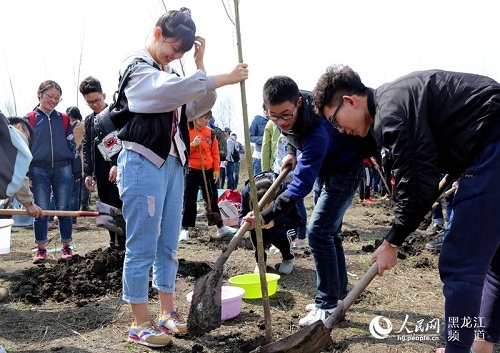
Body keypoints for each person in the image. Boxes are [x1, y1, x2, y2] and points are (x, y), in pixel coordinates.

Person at [312, 65, 500, 353]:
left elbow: (416, 186)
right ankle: (482, 346)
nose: (340, 130)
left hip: (492, 147)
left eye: (335, 120)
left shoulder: (393, 111)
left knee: (460, 265)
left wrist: (392, 241)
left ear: (349, 101)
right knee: (496, 261)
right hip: (488, 144)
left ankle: (458, 349)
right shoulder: (395, 100)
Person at [114, 8, 248, 348]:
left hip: (173, 163)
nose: (175, 56)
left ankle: (167, 313)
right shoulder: (138, 68)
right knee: (142, 245)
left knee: (168, 245)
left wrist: (202, 67)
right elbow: (165, 93)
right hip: (143, 162)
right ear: (158, 33)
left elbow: (195, 106)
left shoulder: (168, 71)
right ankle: (139, 324)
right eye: (173, 48)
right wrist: (222, 76)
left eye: (181, 54)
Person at [242, 76, 369, 328]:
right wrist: (290, 151)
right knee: (330, 233)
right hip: (326, 167)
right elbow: (288, 131)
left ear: (299, 103)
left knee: (319, 231)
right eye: (273, 116)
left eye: (286, 115)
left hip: (344, 170)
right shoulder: (282, 114)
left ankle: (327, 304)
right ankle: (338, 293)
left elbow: (300, 186)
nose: (280, 121)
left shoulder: (316, 132)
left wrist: (266, 215)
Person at [25, 80, 80, 264]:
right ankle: (41, 249)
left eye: (57, 98)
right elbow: (24, 150)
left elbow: (73, 146)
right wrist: (27, 173)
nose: (54, 101)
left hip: (63, 168)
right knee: (40, 208)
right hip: (38, 169)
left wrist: (77, 170)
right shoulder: (29, 119)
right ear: (39, 93)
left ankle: (66, 246)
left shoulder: (63, 119)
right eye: (50, 96)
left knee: (64, 207)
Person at [79, 76, 126, 250]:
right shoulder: (89, 120)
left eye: (97, 100)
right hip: (100, 170)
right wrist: (88, 172)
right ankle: (112, 240)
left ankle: (123, 240)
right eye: (89, 102)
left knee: (118, 203)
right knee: (104, 204)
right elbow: (87, 145)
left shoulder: (116, 113)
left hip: (118, 168)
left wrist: (116, 163)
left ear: (104, 95)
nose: (94, 105)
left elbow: (124, 141)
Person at [179, 111, 237, 241]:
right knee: (190, 199)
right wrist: (193, 145)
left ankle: (220, 227)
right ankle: (185, 229)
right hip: (192, 170)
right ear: (195, 117)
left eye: (208, 118)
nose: (206, 121)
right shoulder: (186, 130)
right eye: (203, 118)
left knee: (212, 198)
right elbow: (182, 151)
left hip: (208, 170)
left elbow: (215, 153)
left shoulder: (210, 132)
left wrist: (216, 170)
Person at [239, 171, 302, 275]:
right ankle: (260, 261)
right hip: (260, 227)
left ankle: (288, 257)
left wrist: (276, 222)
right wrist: (245, 224)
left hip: (284, 228)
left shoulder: (284, 194)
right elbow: (242, 215)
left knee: (278, 234)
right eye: (261, 207)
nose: (264, 210)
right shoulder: (246, 193)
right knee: (254, 230)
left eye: (268, 205)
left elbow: (297, 221)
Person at [261, 119, 308, 249]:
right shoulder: (285, 135)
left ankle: (299, 236)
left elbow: (267, 149)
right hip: (280, 176)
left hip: (292, 176)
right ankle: (293, 236)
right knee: (283, 206)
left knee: (296, 206)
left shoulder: (293, 137)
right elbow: (272, 152)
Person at [66, 106, 84, 227]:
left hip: (73, 163)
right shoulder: (80, 126)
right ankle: (72, 220)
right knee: (74, 193)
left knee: (71, 193)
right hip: (76, 163)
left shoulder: (75, 127)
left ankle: (70, 219)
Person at [249, 106, 268, 175]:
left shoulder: (275, 119)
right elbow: (249, 137)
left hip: (272, 157)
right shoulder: (257, 119)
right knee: (259, 181)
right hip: (259, 156)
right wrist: (265, 139)